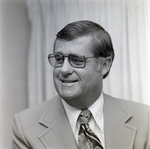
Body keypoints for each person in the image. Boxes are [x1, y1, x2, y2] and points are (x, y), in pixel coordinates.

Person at [12, 20, 150, 149]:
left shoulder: (144, 119)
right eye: (59, 59)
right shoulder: (25, 126)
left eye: (76, 60)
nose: (64, 69)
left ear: (104, 65)